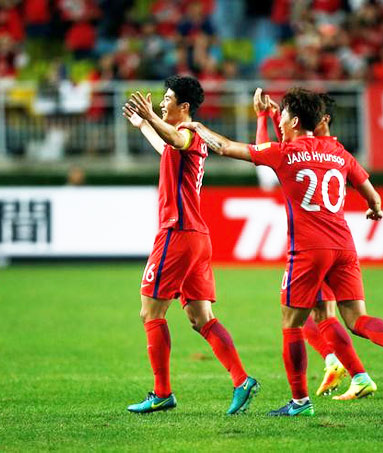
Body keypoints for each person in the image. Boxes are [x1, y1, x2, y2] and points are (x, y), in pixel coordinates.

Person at [182, 88, 383, 416]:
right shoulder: (337, 151)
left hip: (309, 250)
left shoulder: (285, 153)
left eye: (282, 114)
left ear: (294, 120)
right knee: (356, 318)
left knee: (292, 324)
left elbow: (226, 147)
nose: (279, 120)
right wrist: (375, 208)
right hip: (344, 246)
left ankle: (299, 402)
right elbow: (369, 191)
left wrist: (197, 127)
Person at [122, 75, 259, 415]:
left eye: (168, 98)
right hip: (197, 236)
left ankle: (162, 392)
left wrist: (152, 118)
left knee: (150, 312)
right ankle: (241, 379)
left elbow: (176, 137)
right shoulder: (183, 139)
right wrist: (144, 125)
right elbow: (166, 146)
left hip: (177, 233)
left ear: (184, 106)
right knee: (201, 317)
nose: (162, 102)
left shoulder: (189, 132)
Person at [254, 89, 347, 398]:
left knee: (305, 315)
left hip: (311, 246)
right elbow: (284, 152)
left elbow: (271, 154)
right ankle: (336, 362)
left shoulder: (319, 149)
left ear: (323, 119)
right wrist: (270, 116)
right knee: (315, 313)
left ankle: (351, 372)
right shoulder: (331, 150)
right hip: (336, 244)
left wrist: (263, 117)